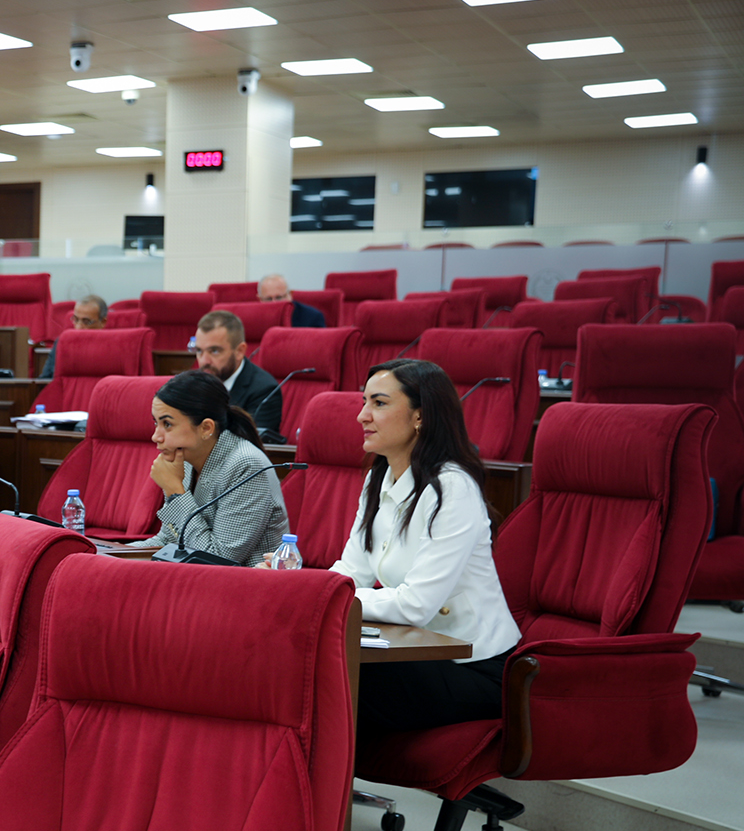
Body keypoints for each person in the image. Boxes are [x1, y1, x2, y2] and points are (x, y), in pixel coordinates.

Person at [328, 359, 521, 731]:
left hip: (474, 667)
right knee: (312, 666)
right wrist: (309, 590)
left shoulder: (452, 486)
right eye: (364, 402)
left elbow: (415, 605)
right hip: (416, 651)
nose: (362, 416)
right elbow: (352, 572)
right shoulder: (378, 478)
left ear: (420, 416)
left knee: (337, 682)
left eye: (379, 403)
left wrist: (332, 598)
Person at [144, 370, 288, 564]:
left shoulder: (246, 465)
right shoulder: (184, 459)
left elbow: (217, 560)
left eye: (167, 424)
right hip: (193, 576)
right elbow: (168, 540)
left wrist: (176, 493)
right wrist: (113, 555)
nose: (156, 436)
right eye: (156, 423)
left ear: (206, 428)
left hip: (245, 580)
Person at [193, 310, 286, 444]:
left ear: (239, 351)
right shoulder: (192, 383)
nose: (204, 361)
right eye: (199, 351)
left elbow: (250, 445)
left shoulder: (264, 390)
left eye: (214, 351)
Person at [38, 293, 107, 380]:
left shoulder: (109, 347)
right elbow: (44, 380)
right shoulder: (62, 343)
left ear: (102, 322)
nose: (78, 327)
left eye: (86, 321)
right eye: (76, 320)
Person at [259, 274, 327, 327]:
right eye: (268, 299)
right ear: (260, 299)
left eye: (279, 298)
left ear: (290, 295)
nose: (274, 303)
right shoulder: (256, 319)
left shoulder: (312, 317)